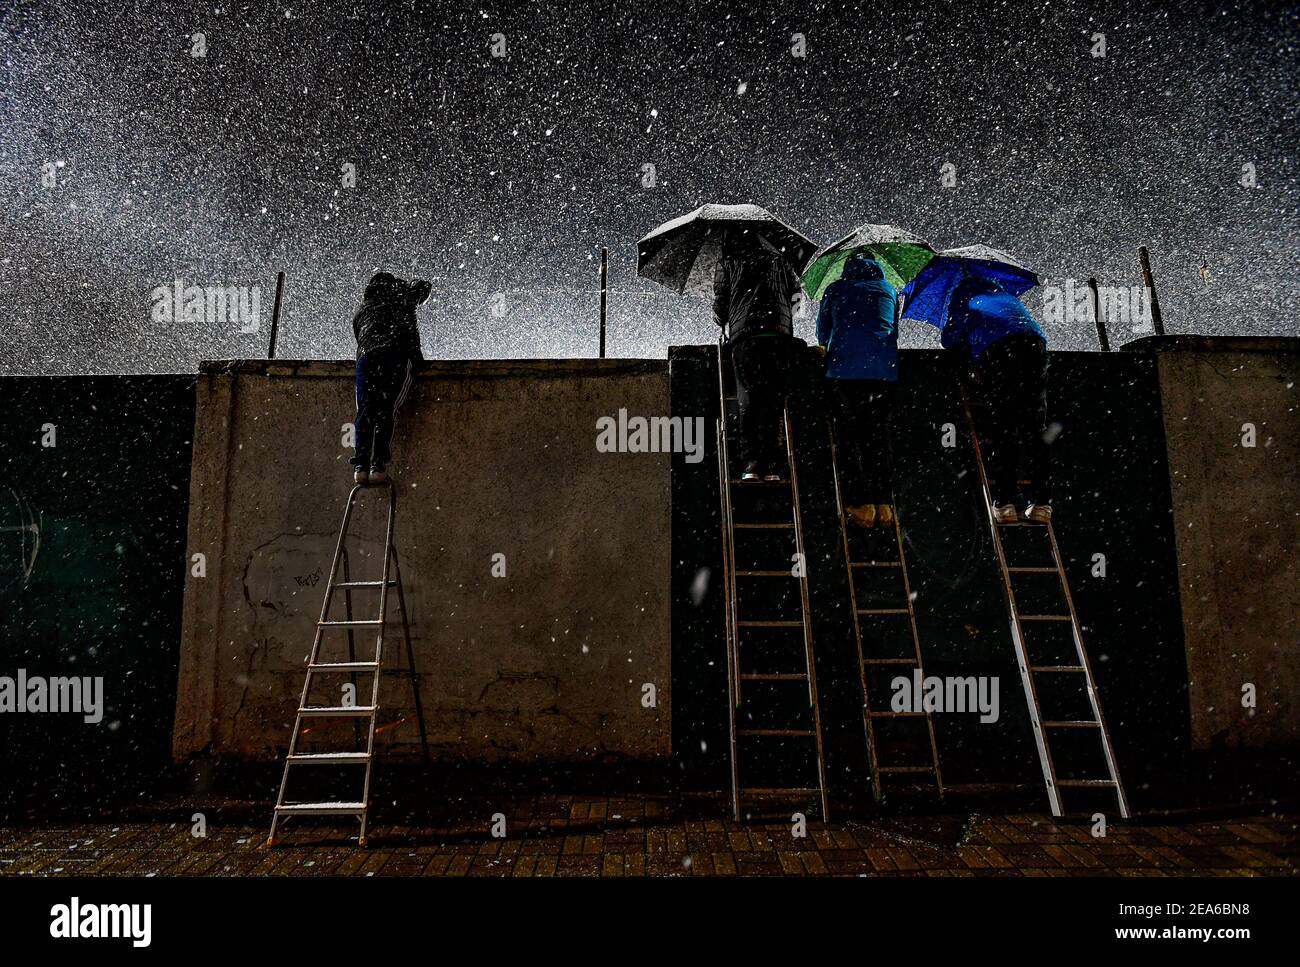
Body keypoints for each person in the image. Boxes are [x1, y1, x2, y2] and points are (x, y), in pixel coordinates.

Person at [942, 274, 1052, 524]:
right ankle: (1043, 503)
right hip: (1036, 347)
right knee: (1034, 428)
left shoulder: (964, 295)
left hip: (1001, 351)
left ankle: (1005, 503)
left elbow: (948, 339)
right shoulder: (1005, 295)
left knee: (1005, 427)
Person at [816, 255, 900, 529]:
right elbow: (892, 331)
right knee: (879, 435)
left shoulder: (836, 289)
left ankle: (860, 504)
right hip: (884, 372)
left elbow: (822, 331)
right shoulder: (888, 289)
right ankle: (885, 504)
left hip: (845, 370)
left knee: (850, 436)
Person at [713, 231, 804, 481]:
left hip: (746, 338)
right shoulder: (780, 260)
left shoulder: (728, 262)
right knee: (773, 402)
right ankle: (773, 464)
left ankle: (752, 464)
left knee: (748, 401)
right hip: (778, 337)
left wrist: (723, 316)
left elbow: (720, 307)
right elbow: (796, 299)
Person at [350, 271, 431, 485]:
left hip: (367, 359)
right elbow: (412, 338)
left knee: (365, 411)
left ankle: (360, 465)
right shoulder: (401, 300)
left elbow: (361, 336)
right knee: (387, 409)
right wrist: (419, 362)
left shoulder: (362, 310)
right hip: (394, 357)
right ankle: (379, 465)